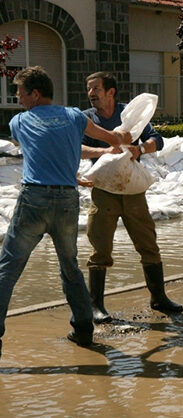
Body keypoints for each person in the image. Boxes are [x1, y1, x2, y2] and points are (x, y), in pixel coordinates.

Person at [0, 66, 129, 357]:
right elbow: (108, 139)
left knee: (7, 269)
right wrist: (121, 138)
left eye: (20, 93)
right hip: (66, 202)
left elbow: (48, 149)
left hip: (33, 200)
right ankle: (84, 330)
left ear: (34, 94)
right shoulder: (74, 116)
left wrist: (97, 153)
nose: (18, 99)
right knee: (69, 267)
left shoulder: (19, 122)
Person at [80, 72, 183, 323]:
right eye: (89, 89)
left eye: (95, 88)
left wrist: (140, 149)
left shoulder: (130, 114)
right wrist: (105, 150)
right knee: (100, 247)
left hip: (133, 190)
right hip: (104, 190)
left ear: (110, 92)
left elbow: (156, 139)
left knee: (148, 243)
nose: (91, 93)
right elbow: (76, 147)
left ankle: (158, 297)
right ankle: (96, 306)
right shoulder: (86, 119)